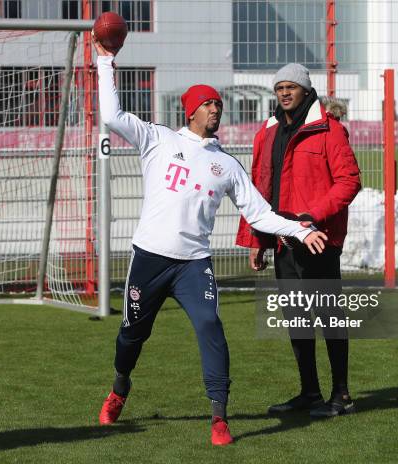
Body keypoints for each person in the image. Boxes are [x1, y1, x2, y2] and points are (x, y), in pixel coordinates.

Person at [93, 41, 328, 446]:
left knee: (210, 327)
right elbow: (112, 114)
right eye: (208, 104)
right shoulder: (157, 139)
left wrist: (300, 229)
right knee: (132, 334)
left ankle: (219, 416)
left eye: (219, 104)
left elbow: (260, 214)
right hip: (149, 257)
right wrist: (104, 60)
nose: (216, 109)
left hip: (193, 265)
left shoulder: (227, 165)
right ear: (192, 111)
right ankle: (119, 389)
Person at [236, 63, 361, 417]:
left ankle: (342, 394)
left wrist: (312, 216)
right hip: (282, 243)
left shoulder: (329, 130)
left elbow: (349, 181)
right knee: (296, 319)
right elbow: (262, 190)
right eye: (280, 88)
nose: (285, 93)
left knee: (328, 316)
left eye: (292, 87)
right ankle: (309, 392)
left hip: (318, 241)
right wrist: (258, 239)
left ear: (306, 91)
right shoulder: (268, 133)